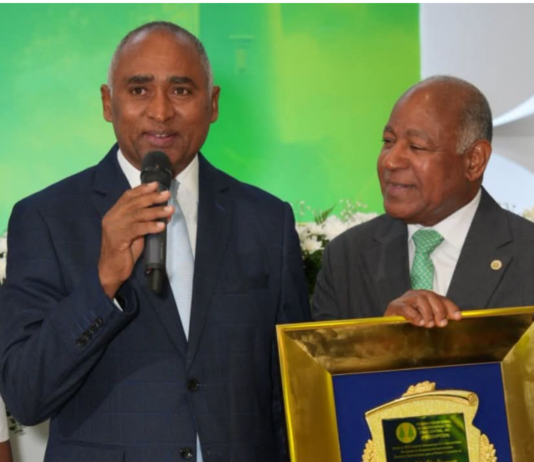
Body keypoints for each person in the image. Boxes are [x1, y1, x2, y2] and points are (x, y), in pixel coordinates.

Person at [0, 21, 310, 462]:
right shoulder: (46, 219)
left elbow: (294, 395)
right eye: (139, 90)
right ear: (108, 103)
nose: (161, 111)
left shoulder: (267, 220)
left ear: (213, 103)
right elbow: (26, 395)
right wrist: (102, 284)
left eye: (181, 90)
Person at [313, 75, 534, 327]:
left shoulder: (527, 253)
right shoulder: (346, 256)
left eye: (416, 147)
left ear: (474, 160)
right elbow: (322, 354)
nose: (391, 161)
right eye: (388, 141)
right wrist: (380, 338)